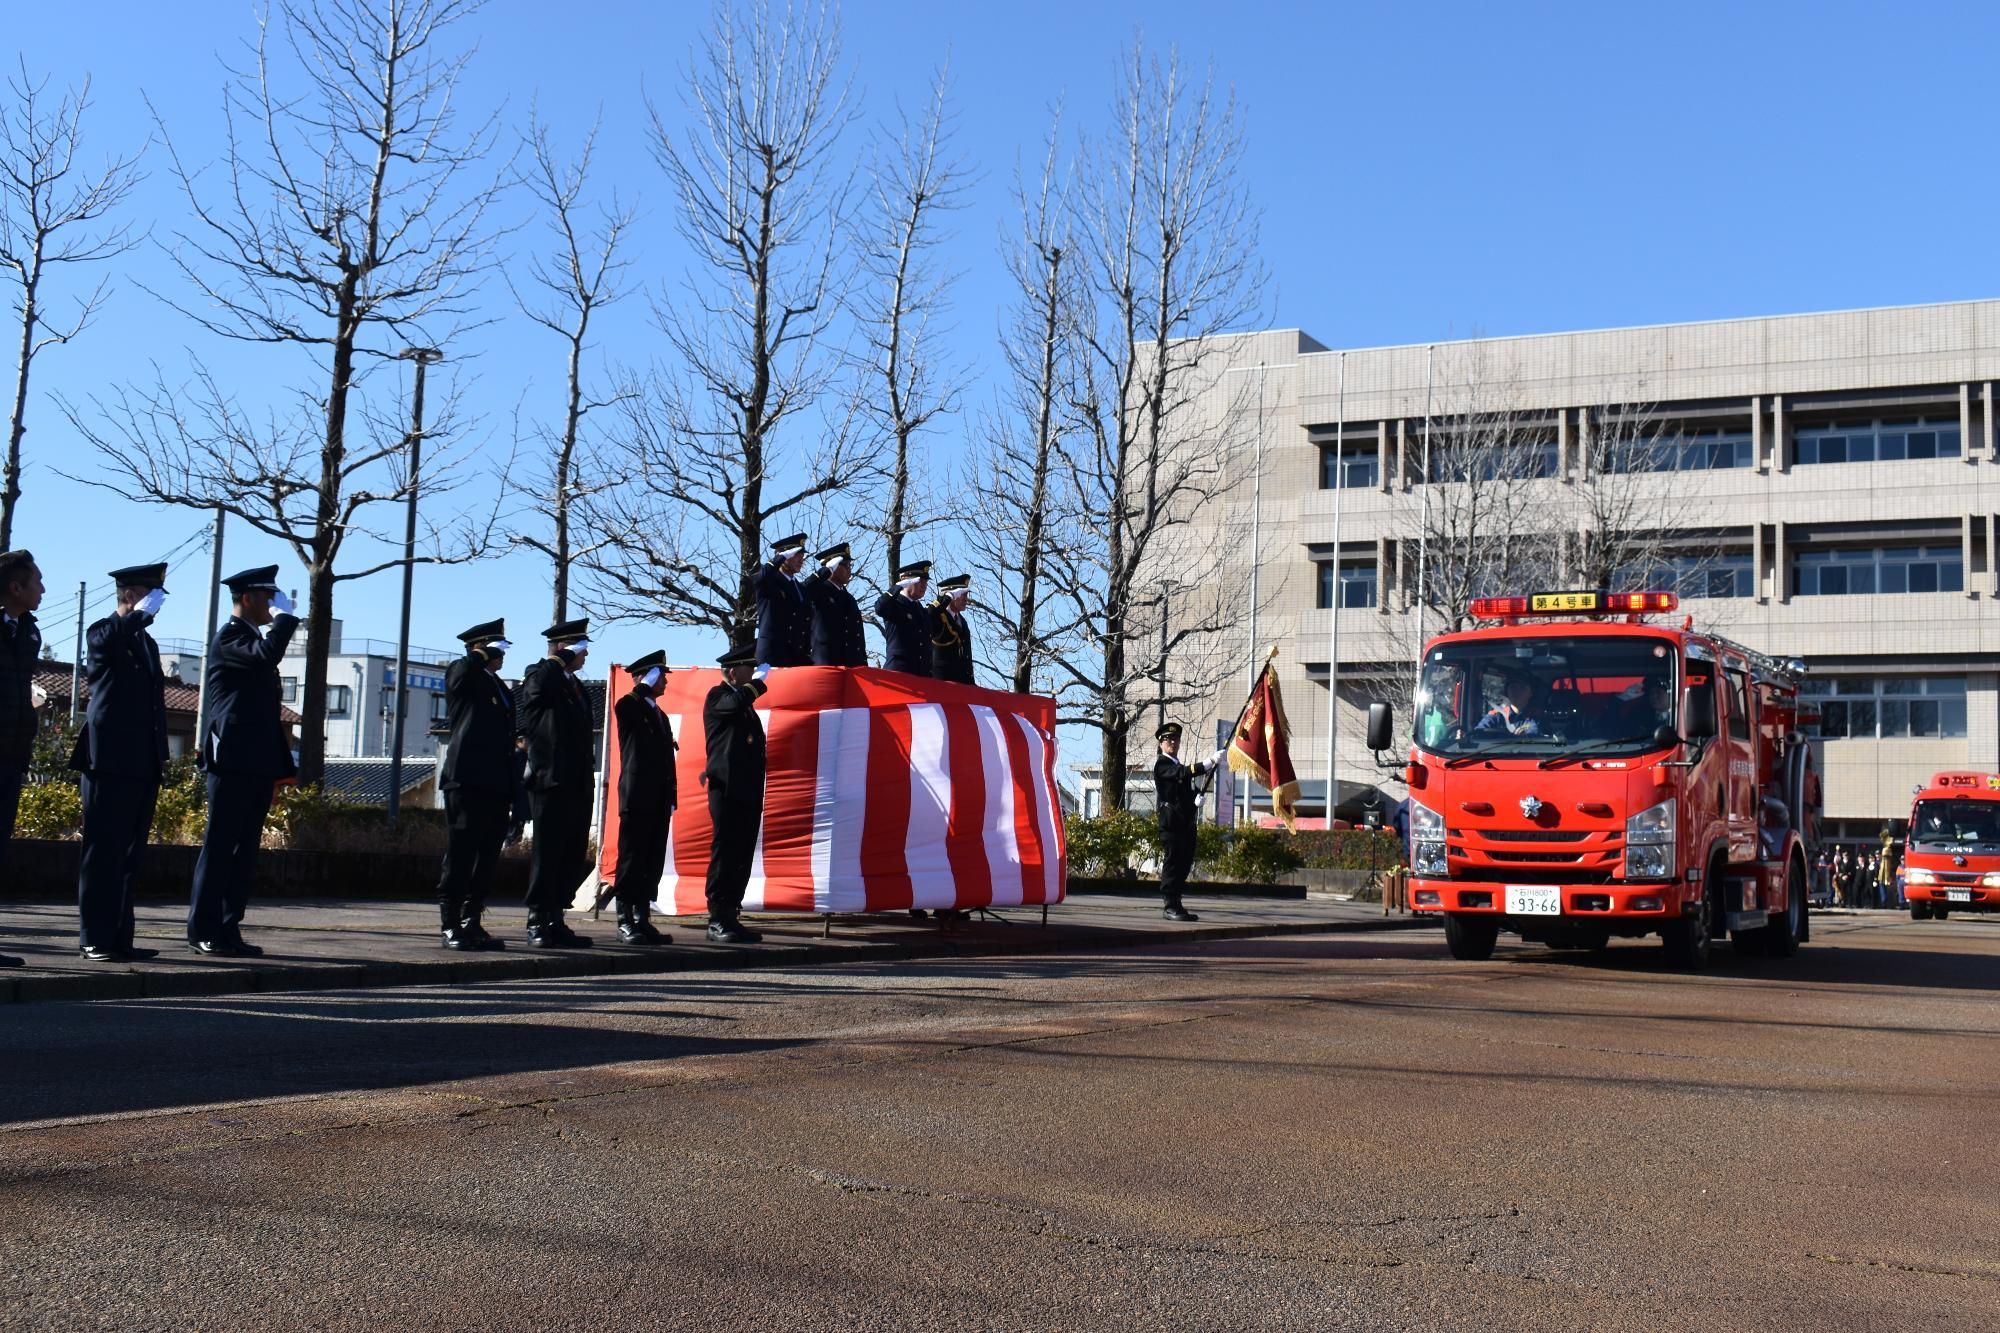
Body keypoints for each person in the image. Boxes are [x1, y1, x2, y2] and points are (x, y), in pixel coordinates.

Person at [187, 565, 299, 956]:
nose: (273, 604)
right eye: (268, 598)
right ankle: (204, 929)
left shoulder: (249, 639)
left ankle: (227, 926)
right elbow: (267, 654)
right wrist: (286, 620)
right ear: (248, 598)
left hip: (254, 760)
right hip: (231, 758)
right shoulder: (231, 638)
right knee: (220, 847)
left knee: (243, 851)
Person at [70, 562, 171, 963]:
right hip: (108, 760)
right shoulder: (103, 630)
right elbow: (111, 639)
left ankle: (119, 937)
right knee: (103, 852)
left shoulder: (147, 643)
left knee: (129, 855)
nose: (156, 606)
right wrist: (138, 613)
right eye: (150, 595)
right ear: (129, 595)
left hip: (143, 761)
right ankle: (94, 937)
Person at [434, 618, 514, 951]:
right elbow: (459, 674)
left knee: (488, 854)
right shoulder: (463, 672)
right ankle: (450, 923)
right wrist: (480, 654)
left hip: (496, 780)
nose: (502, 655)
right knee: (463, 852)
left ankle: (473, 920)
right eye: (497, 648)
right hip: (467, 778)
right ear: (480, 648)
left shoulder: (498, 685)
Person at [519, 617, 596, 948]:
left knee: (570, 852)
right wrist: (558, 658)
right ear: (565, 649)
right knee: (548, 852)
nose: (585, 656)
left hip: (576, 781)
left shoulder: (576, 686)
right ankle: (537, 918)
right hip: (550, 780)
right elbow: (536, 691)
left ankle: (556, 916)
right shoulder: (539, 674)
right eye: (581, 649)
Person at [702, 642, 767, 943]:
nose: (753, 672)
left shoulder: (745, 707)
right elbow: (733, 703)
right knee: (726, 852)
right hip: (726, 788)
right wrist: (757, 685)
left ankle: (731, 913)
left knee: (742, 854)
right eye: (748, 668)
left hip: (748, 790)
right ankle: (717, 917)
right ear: (732, 671)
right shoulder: (718, 696)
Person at [609, 648, 675, 946]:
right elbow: (626, 711)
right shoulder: (630, 704)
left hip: (658, 797)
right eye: (659, 676)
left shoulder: (659, 714)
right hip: (637, 797)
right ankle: (624, 919)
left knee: (651, 860)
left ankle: (642, 917)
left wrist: (671, 794)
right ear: (643, 677)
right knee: (632, 859)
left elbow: (665, 759)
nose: (665, 682)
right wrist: (642, 686)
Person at [0, 548, 44, 969]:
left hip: (12, 752)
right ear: (16, 588)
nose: (43, 590)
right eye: (36, 582)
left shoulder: (28, 631)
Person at [1152, 721, 1226, 923]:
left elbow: (1184, 792)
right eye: (1168, 740)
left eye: (1175, 739)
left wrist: (1196, 800)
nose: (1172, 743)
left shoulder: (1177, 765)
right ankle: (1169, 905)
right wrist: (1207, 763)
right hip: (1171, 823)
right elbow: (1181, 774)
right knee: (1173, 863)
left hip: (1185, 823)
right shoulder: (1163, 765)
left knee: (1184, 864)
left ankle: (1177, 902)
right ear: (1161, 743)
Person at [753, 532, 813, 668]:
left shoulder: (800, 588)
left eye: (802, 555)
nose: (801, 559)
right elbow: (759, 577)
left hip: (796, 655)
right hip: (773, 655)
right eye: (796, 554)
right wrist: (780, 557)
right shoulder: (770, 581)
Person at [805, 542, 867, 667]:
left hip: (851, 663)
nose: (849, 569)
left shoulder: (849, 598)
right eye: (845, 565)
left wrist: (863, 662)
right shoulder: (818, 590)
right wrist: (825, 571)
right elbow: (804, 590)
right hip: (826, 660)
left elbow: (858, 635)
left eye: (850, 565)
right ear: (833, 566)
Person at [876, 560, 933, 677]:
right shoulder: (895, 604)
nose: (924, 585)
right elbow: (880, 608)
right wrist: (898, 586)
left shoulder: (921, 611)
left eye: (926, 581)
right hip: (899, 672)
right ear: (906, 581)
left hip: (921, 675)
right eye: (919, 581)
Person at [928, 574, 976, 685]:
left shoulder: (962, 622)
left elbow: (966, 657)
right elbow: (929, 615)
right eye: (962, 594)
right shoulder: (938, 616)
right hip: (940, 681)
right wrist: (946, 598)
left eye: (966, 594)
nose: (966, 598)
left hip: (961, 682)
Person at [1474, 673, 1541, 736]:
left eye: (1522, 688)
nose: (1517, 691)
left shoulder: (1537, 716)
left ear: (1531, 693)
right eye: (1513, 687)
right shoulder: (1497, 714)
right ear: (1506, 691)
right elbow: (1479, 733)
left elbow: (1536, 732)